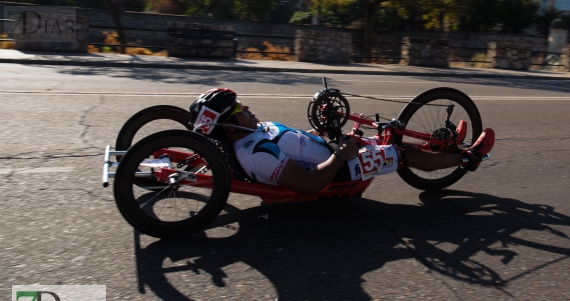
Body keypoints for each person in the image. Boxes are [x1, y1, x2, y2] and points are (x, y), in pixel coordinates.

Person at [188, 88, 495, 195]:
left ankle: (446, 145)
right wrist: (342, 154)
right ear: (227, 126)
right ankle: (466, 158)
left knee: (385, 134)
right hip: (342, 170)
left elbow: (295, 144)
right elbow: (309, 184)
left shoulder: (251, 133)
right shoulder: (256, 154)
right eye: (241, 109)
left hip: (333, 151)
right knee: (401, 154)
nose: (249, 108)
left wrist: (325, 137)